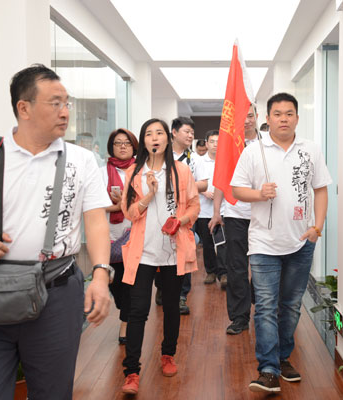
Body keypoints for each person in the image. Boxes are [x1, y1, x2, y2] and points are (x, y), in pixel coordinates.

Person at [0, 64, 112, 399]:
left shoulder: (81, 160)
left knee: (53, 392)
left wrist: (101, 276)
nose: (65, 112)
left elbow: (95, 220)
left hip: (57, 292)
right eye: (55, 103)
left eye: (67, 103)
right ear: (24, 108)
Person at [231, 92, 332, 393]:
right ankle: (268, 369)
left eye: (289, 114)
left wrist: (317, 227)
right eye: (277, 114)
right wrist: (259, 194)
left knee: (290, 306)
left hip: (301, 242)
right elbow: (236, 189)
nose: (283, 119)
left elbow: (321, 189)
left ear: (297, 118)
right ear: (268, 118)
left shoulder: (310, 150)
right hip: (263, 242)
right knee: (265, 306)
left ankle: (283, 357)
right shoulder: (254, 151)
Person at [120, 118, 200, 395]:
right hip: (142, 252)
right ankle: (131, 371)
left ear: (168, 138)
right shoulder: (134, 172)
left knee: (171, 307)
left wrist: (181, 220)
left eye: (159, 133)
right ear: (143, 141)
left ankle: (168, 354)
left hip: (173, 251)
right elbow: (129, 212)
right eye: (149, 134)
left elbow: (194, 205)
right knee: (137, 311)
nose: (154, 138)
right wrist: (148, 195)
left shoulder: (181, 171)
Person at [209, 105, 260, 335]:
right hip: (236, 213)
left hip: (262, 214)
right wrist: (217, 212)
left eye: (250, 116)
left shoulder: (267, 143)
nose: (246, 120)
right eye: (242, 116)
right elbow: (221, 181)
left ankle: (263, 309)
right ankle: (239, 317)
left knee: (262, 265)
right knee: (236, 267)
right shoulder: (229, 145)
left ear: (257, 117)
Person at [155, 116, 208, 314]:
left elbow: (204, 184)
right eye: (187, 131)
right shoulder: (160, 155)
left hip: (185, 215)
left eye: (192, 133)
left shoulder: (195, 159)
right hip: (160, 212)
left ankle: (181, 296)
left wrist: (184, 185)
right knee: (160, 250)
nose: (190, 135)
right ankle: (161, 287)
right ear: (174, 133)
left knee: (185, 254)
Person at [101, 128, 139, 344]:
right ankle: (125, 312)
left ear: (134, 146)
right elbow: (91, 204)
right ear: (111, 147)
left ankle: (126, 324)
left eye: (127, 142)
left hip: (134, 231)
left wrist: (125, 202)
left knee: (130, 281)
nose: (123, 146)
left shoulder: (140, 171)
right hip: (107, 234)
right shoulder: (100, 172)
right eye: (118, 143)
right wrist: (116, 206)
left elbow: (148, 200)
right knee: (116, 284)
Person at [196, 130, 227, 287]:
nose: (215, 145)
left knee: (222, 243)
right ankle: (211, 272)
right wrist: (204, 192)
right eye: (212, 141)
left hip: (223, 209)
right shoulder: (198, 161)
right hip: (204, 210)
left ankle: (224, 273)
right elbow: (192, 183)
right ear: (207, 143)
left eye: (218, 142)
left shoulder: (226, 161)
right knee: (207, 243)